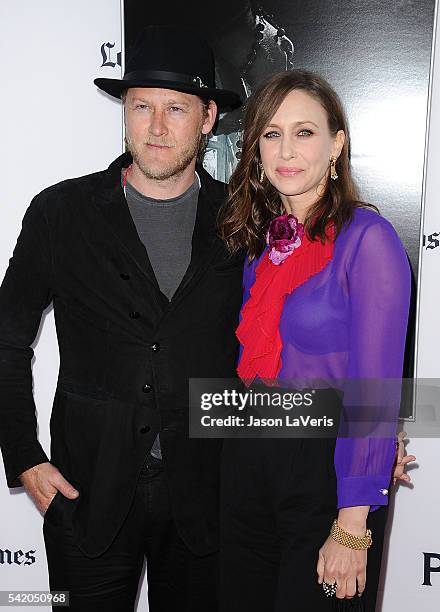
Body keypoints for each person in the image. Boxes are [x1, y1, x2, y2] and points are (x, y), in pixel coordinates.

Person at [0, 25, 243, 611]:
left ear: (207, 118)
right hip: (87, 493)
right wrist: (24, 457)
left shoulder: (243, 222)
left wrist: (361, 425)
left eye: (176, 108)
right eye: (142, 107)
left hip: (208, 496)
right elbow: (6, 341)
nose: (157, 127)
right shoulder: (61, 212)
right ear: (125, 113)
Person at [219, 70, 413, 611]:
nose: (287, 150)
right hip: (248, 461)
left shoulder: (368, 242)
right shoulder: (259, 243)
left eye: (304, 132)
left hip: (324, 473)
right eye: (271, 133)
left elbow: (374, 391)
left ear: (337, 144)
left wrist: (353, 521)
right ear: (255, 147)